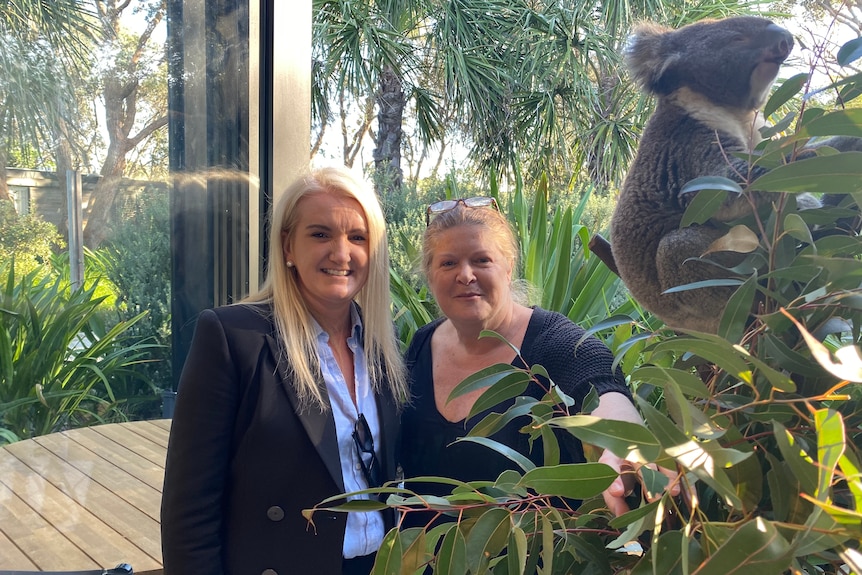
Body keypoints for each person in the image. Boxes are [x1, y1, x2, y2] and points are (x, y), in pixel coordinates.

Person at [161, 167, 409, 575]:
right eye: (320, 234)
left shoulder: (382, 344)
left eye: (357, 237)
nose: (341, 253)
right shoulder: (233, 337)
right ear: (287, 247)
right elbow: (189, 509)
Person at [399, 197, 677, 526]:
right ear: (429, 274)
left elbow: (600, 386)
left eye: (481, 259)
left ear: (508, 265)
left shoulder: (557, 342)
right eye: (448, 263)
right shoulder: (420, 346)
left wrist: (625, 439)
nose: (465, 275)